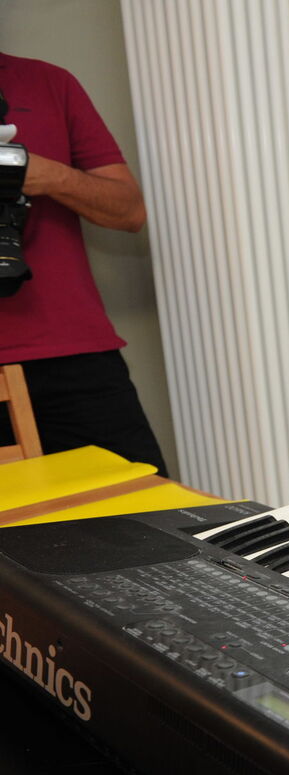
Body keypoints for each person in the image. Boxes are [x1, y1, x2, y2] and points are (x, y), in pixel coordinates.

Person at [0, 52, 167, 475]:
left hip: (72, 357)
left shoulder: (48, 80)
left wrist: (45, 175)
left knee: (150, 523)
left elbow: (129, 211)